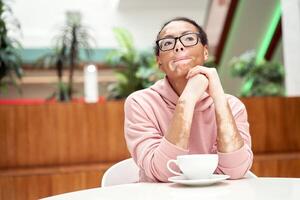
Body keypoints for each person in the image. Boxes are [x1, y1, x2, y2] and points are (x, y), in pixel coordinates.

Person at [124, 17, 253, 182]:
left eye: (189, 38)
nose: (178, 45)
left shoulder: (233, 106)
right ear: (159, 61)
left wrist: (219, 99)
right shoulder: (140, 103)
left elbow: (236, 171)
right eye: (167, 43)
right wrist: (187, 99)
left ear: (205, 51)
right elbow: (164, 173)